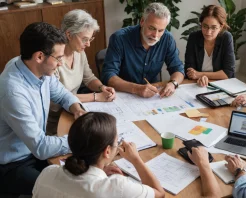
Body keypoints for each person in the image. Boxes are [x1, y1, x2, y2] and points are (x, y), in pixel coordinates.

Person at [0, 22, 86, 195]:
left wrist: (77, 109)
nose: (61, 63)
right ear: (39, 56)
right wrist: (83, 140)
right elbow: (40, 146)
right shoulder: (13, 91)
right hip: (14, 164)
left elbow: (62, 94)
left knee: (83, 175)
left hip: (36, 149)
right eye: (58, 58)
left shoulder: (32, 67)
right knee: (68, 192)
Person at [33, 112, 165, 198]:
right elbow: (159, 193)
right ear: (107, 151)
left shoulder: (47, 173)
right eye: (117, 142)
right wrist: (136, 159)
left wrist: (99, 169)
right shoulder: (117, 187)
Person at [46, 9, 116, 136]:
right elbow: (59, 99)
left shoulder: (79, 52)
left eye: (90, 39)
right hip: (55, 122)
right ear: (69, 34)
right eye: (84, 39)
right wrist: (96, 97)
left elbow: (89, 78)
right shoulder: (53, 60)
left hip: (74, 113)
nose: (88, 44)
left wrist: (102, 87)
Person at [101, 2, 184, 98]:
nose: (155, 35)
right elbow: (108, 75)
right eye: (152, 28)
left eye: (161, 30)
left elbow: (178, 68)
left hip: (152, 96)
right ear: (142, 22)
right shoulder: (119, 38)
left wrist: (173, 84)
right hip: (123, 94)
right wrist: (136, 89)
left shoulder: (167, 39)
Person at [185, 5, 235, 87]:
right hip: (197, 84)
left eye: (214, 28)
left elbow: (228, 73)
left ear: (221, 27)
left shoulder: (226, 38)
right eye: (205, 26)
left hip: (222, 85)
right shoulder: (194, 37)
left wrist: (199, 74)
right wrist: (198, 76)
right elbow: (190, 72)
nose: (208, 32)